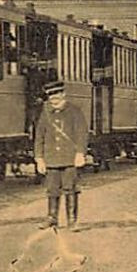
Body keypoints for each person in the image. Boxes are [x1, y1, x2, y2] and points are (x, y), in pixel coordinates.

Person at [34, 80, 90, 230]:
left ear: (63, 94)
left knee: (70, 188)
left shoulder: (74, 111)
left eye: (56, 94)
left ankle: (72, 220)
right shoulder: (45, 112)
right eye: (50, 95)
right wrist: (39, 158)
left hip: (69, 158)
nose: (53, 98)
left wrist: (80, 153)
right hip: (51, 158)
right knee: (52, 189)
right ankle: (52, 217)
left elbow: (82, 134)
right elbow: (39, 135)